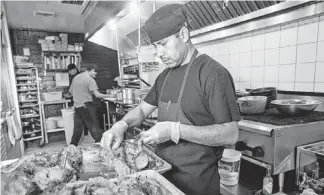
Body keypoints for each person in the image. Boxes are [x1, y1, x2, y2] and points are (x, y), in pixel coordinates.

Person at [100, 4, 240, 195]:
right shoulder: (164, 77)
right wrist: (121, 125)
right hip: (162, 178)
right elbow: (142, 111)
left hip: (198, 184)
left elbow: (230, 134)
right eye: (155, 46)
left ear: (183, 35)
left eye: (163, 44)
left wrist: (175, 130)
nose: (158, 54)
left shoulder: (213, 74)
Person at [69, 65, 111, 146]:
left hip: (77, 106)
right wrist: (111, 96)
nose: (96, 74)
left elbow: (71, 92)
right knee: (94, 127)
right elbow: (97, 95)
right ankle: (100, 145)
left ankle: (72, 146)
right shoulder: (90, 80)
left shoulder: (76, 77)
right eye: (95, 72)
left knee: (77, 129)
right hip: (86, 105)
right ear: (90, 70)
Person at [64, 64, 88, 136]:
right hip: (83, 100)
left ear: (74, 69)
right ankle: (84, 133)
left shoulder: (76, 77)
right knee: (83, 117)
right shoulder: (79, 76)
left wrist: (67, 95)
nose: (69, 73)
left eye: (70, 71)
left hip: (80, 100)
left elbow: (74, 91)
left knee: (80, 118)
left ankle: (82, 134)